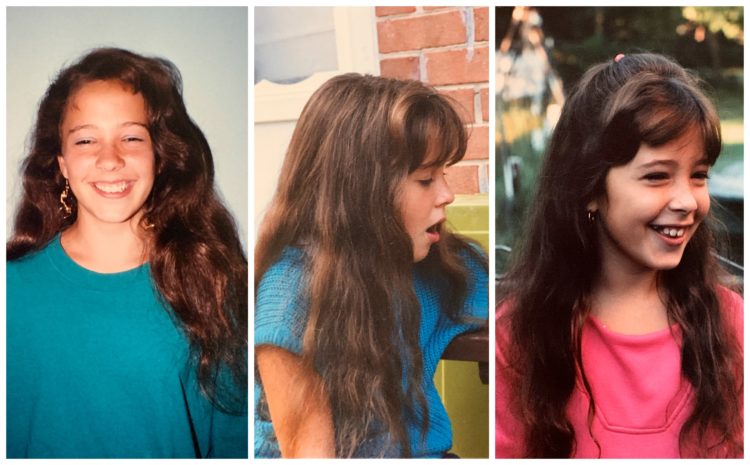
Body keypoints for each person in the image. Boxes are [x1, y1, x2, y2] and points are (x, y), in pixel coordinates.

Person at [495, 53, 743, 458]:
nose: (687, 200)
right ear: (591, 187)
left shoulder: (731, 325)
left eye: (698, 175)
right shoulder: (522, 334)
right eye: (656, 176)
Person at [6, 48, 248, 458]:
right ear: (62, 164)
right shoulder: (10, 292)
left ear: (160, 154)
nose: (110, 159)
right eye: (86, 139)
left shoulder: (212, 286)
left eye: (131, 137)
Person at [254, 74, 489, 458]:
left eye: (443, 174)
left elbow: (518, 301)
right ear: (362, 191)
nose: (447, 194)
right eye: (426, 179)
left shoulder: (431, 263)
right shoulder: (292, 299)